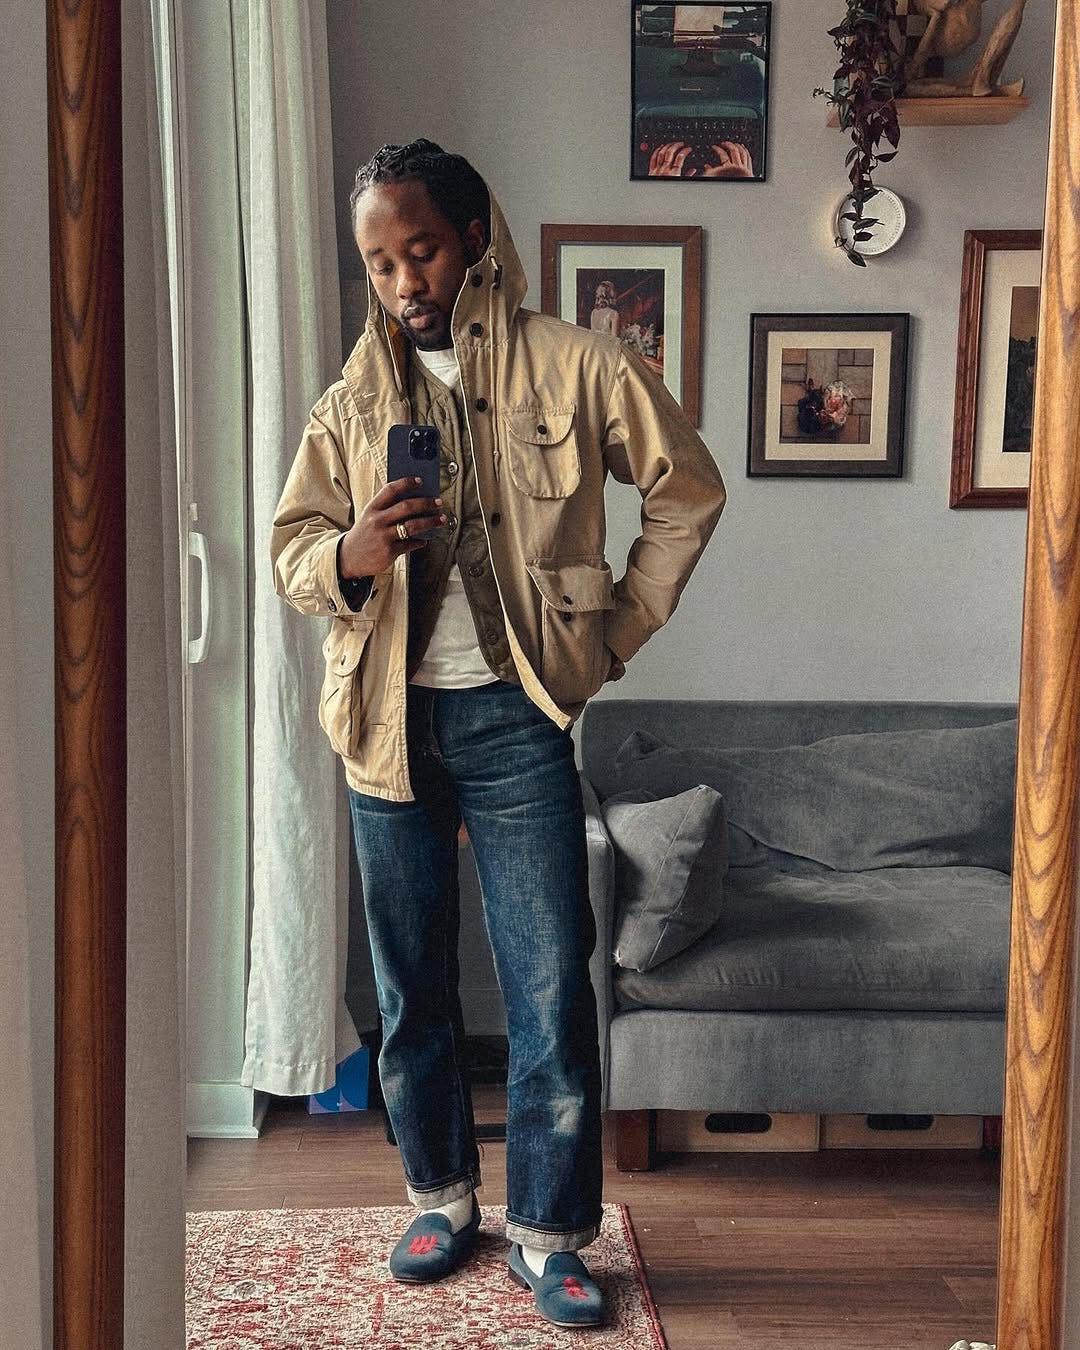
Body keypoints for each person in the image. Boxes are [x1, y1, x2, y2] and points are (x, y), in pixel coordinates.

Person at [270, 138, 727, 1329]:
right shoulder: (350, 404)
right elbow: (291, 554)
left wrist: (610, 635)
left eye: (418, 247)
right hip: (383, 727)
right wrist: (350, 556)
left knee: (544, 984)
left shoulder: (579, 365)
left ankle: (551, 1229)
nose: (403, 279)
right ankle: (440, 1195)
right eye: (379, 262)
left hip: (519, 716)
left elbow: (686, 490)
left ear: (474, 235)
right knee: (411, 986)